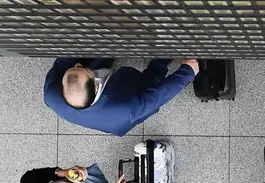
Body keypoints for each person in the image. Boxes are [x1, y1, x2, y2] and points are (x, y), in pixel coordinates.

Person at [43, 57, 199, 136]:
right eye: (82, 68)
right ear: (96, 85)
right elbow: (157, 96)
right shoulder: (124, 110)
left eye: (77, 68)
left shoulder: (51, 93)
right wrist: (188, 71)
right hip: (120, 109)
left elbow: (65, 59)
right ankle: (161, 61)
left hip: (103, 96)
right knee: (150, 82)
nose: (77, 65)